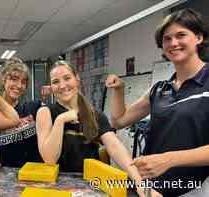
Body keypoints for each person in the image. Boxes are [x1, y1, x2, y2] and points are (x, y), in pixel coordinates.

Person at [105, 9, 209, 196]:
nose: (173, 43)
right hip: (150, 189)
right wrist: (119, 90)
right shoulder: (159, 89)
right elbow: (118, 120)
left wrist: (169, 160)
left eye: (181, 35)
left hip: (194, 190)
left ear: (199, 37)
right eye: (167, 39)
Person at [36, 60, 147, 196]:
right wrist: (60, 120)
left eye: (67, 78)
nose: (62, 85)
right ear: (52, 87)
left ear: (77, 80)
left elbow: (115, 147)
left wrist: (139, 181)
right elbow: (49, 159)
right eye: (56, 82)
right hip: (57, 188)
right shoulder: (45, 112)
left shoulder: (95, 115)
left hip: (91, 187)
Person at [0, 58, 45, 168]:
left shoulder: (33, 107)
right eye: (14, 79)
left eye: (23, 82)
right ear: (3, 79)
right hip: (8, 176)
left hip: (35, 173)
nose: (19, 85)